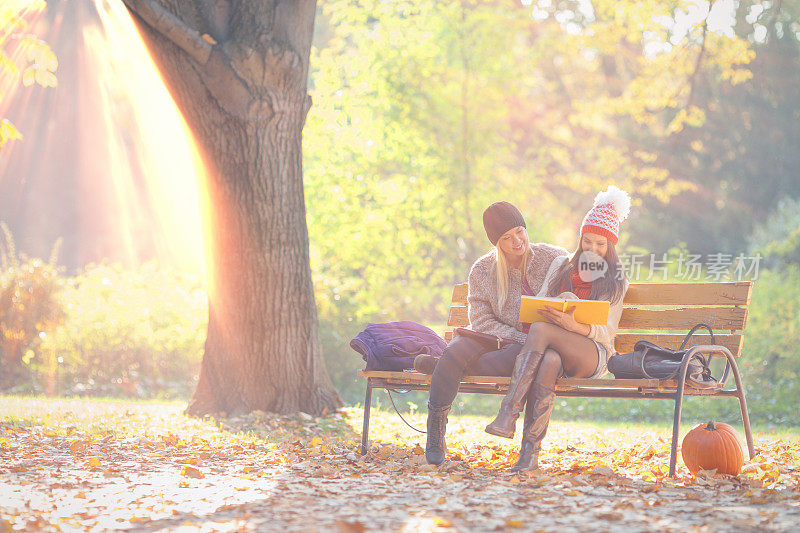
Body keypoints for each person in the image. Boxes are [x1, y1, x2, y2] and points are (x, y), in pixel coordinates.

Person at [484, 185, 630, 472]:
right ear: (581, 239)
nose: (593, 249)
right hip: (556, 351)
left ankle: (507, 413)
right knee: (548, 358)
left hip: (593, 354)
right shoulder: (561, 267)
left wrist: (575, 325)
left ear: (611, 246)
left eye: (601, 244)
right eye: (588, 241)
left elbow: (607, 332)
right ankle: (529, 456)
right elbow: (539, 305)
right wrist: (557, 307)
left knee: (540, 331)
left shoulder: (616, 279)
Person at [422, 201, 568, 465]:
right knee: (456, 350)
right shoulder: (482, 269)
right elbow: (479, 319)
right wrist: (516, 335)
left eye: (519, 231)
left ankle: (444, 368)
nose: (517, 241)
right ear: (496, 242)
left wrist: (530, 339)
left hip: (534, 349)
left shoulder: (554, 258)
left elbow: (572, 300)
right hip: (495, 338)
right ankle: (435, 431)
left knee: (512, 357)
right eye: (507, 237)